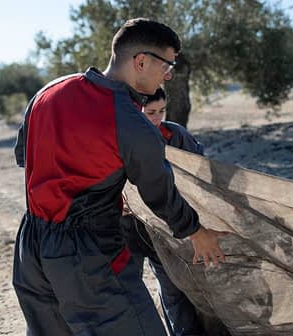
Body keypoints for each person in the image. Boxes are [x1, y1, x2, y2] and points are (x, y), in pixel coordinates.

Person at [12, 18, 226, 336]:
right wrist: (196, 232)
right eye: (167, 64)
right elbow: (160, 194)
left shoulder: (48, 92)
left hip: (31, 247)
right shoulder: (130, 122)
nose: (168, 74)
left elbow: (23, 156)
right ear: (141, 61)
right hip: (88, 253)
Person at [121, 86, 205, 336]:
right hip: (125, 230)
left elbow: (201, 171)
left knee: (174, 289)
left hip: (167, 227)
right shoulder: (121, 139)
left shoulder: (175, 135)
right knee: (127, 293)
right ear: (136, 111)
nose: (157, 119)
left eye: (162, 111)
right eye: (150, 113)